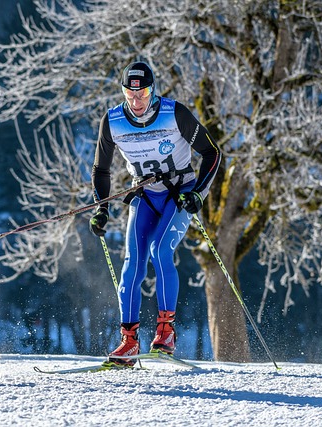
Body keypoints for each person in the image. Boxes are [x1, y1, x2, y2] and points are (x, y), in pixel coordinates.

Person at [90, 61, 221, 366]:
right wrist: (101, 208)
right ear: (124, 92)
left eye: (143, 92)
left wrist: (198, 193)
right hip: (145, 194)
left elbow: (212, 153)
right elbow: (101, 169)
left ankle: (166, 332)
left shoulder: (174, 113)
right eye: (130, 93)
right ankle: (129, 341)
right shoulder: (112, 122)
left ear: (152, 90)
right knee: (132, 263)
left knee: (161, 251)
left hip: (178, 192)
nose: (137, 101)